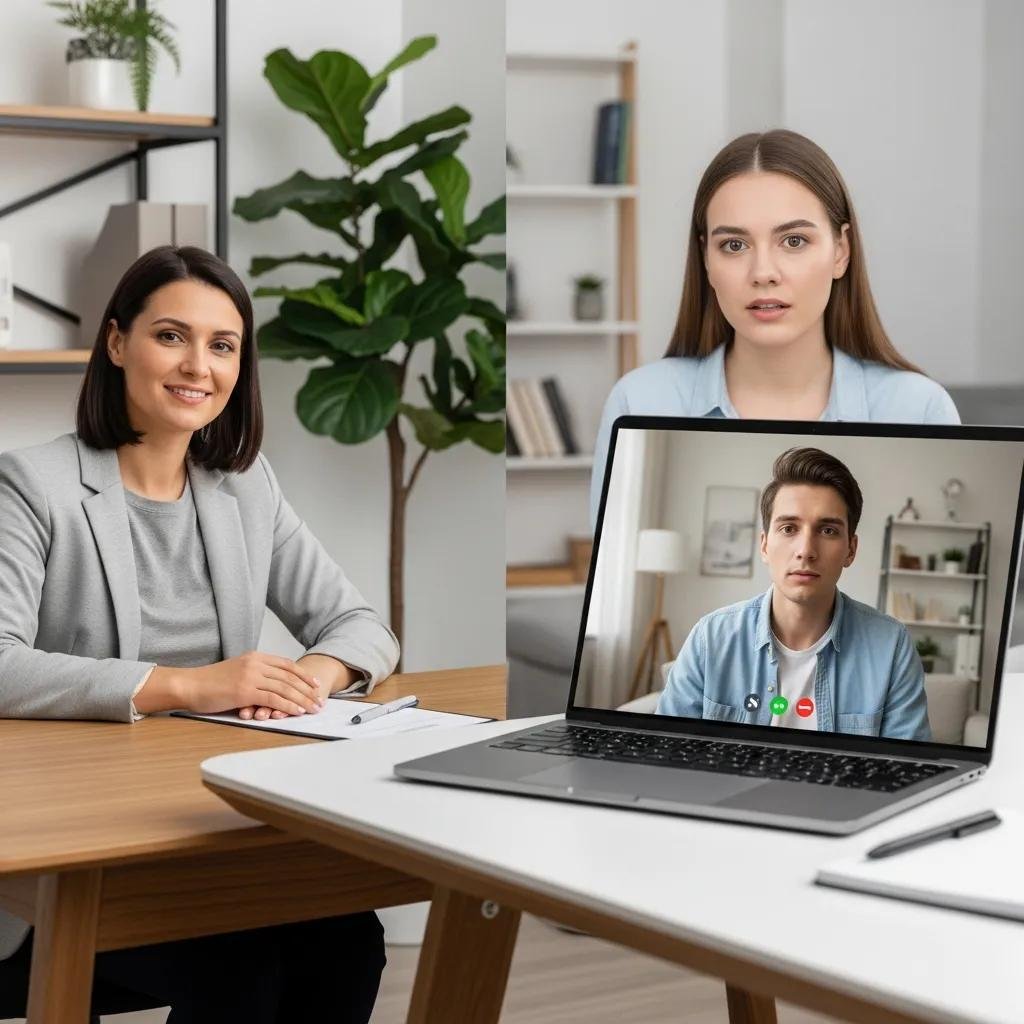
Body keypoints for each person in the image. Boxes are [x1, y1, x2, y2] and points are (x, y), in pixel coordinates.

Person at [0, 246, 398, 1022]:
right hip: (76, 851)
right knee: (240, 976)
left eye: (223, 345)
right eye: (171, 336)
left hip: (210, 828)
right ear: (118, 343)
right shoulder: (32, 484)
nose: (199, 366)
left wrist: (308, 677)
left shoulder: (246, 488)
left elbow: (361, 626)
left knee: (350, 942)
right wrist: (189, 684)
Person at [591, 129, 959, 523]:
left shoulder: (920, 409)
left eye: (794, 241)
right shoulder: (641, 402)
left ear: (841, 250)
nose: (763, 273)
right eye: (734, 245)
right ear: (705, 259)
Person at [657, 447, 931, 742]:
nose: (805, 551)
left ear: (850, 549)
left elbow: (908, 769)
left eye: (827, 531)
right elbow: (666, 752)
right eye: (789, 528)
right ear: (764, 545)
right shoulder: (710, 638)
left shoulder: (891, 646)